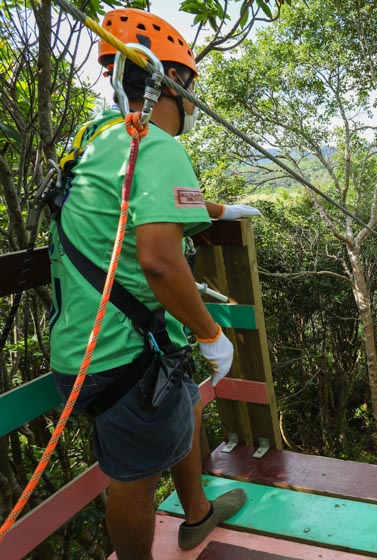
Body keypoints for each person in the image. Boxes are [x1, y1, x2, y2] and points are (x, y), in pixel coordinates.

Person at [48, 9, 257, 559]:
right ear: (174, 81)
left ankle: (198, 515)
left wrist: (218, 209)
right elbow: (161, 263)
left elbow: (138, 204)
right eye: (189, 86)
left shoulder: (97, 138)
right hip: (118, 355)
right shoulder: (158, 145)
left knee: (185, 403)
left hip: (111, 342)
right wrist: (211, 332)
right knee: (134, 478)